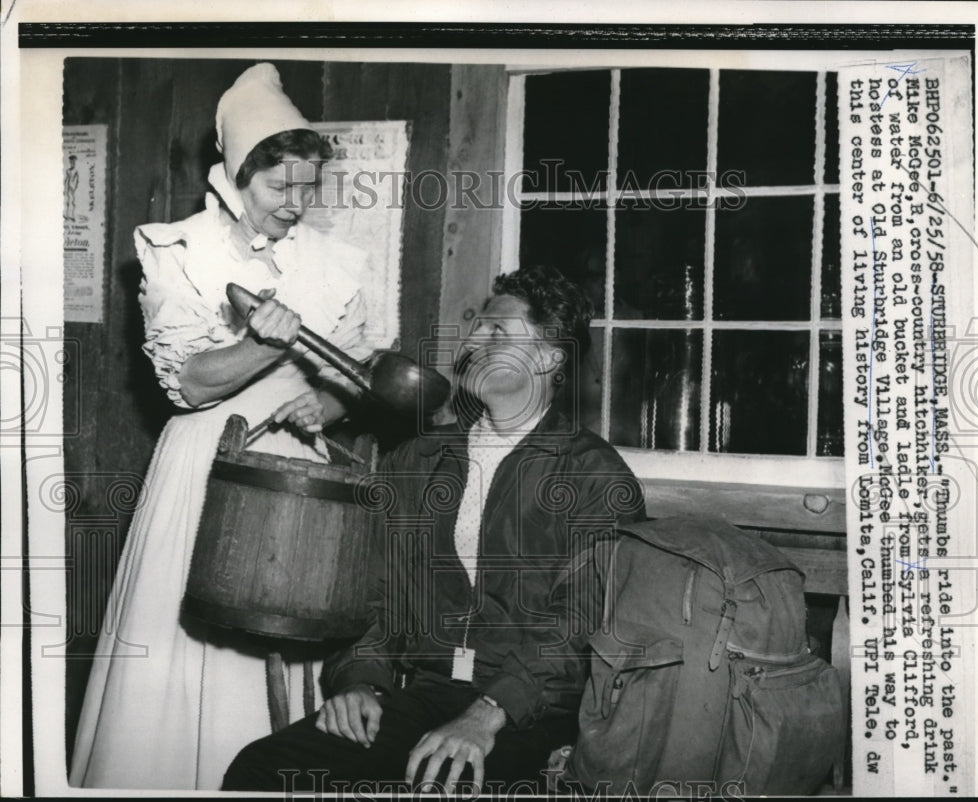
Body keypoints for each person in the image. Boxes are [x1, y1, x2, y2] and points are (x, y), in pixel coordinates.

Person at [222, 265, 646, 794]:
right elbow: (373, 588)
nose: (474, 342)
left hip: (530, 713)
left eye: (498, 332)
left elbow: (580, 626)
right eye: (477, 328)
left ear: (548, 357)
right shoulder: (418, 459)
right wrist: (359, 681)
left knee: (443, 786)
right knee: (262, 769)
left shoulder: (593, 476)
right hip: (424, 694)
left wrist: (487, 714)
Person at [70, 63, 376, 790]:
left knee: (285, 651)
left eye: (309, 188)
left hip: (298, 480)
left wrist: (323, 407)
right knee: (183, 661)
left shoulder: (333, 263)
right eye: (279, 188)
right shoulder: (180, 252)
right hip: (206, 471)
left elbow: (357, 380)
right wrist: (261, 343)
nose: (296, 205)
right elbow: (187, 385)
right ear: (236, 176)